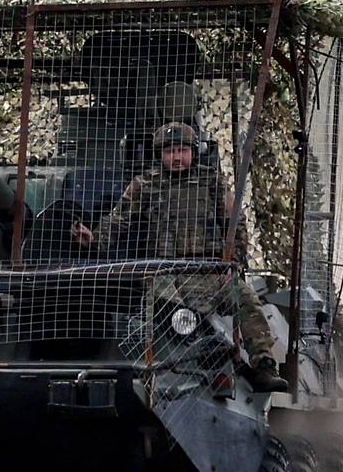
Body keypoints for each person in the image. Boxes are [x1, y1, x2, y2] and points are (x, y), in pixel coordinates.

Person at [71, 122, 290, 393]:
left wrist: (234, 264)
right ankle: (177, 364)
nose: (176, 157)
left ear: (193, 152)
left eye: (182, 150)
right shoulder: (145, 184)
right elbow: (119, 218)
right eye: (170, 151)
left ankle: (264, 367)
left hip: (210, 271)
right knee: (168, 308)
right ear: (160, 154)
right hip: (165, 273)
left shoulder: (212, 181)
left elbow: (235, 224)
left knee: (246, 299)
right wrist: (94, 237)